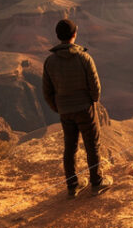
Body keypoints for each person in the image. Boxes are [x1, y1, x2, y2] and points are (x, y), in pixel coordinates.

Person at [42, 19, 112, 198]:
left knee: (70, 146)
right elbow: (95, 86)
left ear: (58, 36)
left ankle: (73, 185)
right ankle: (97, 182)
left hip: (65, 111)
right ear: (75, 34)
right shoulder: (83, 58)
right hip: (85, 108)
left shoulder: (50, 62)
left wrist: (58, 107)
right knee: (92, 145)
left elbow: (47, 91)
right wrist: (92, 101)